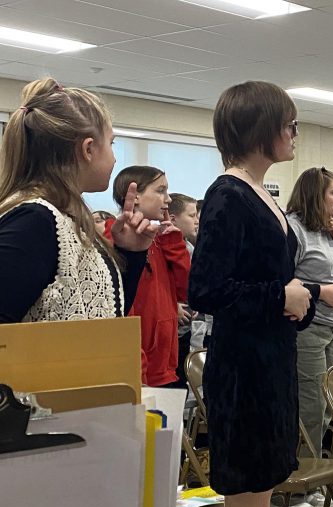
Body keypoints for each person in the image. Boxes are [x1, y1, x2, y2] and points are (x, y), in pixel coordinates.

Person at [188, 81, 315, 507]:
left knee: (264, 477)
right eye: (290, 125)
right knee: (248, 481)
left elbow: (269, 278)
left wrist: (296, 298)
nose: (294, 134)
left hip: (269, 357)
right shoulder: (228, 194)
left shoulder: (258, 191)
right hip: (243, 367)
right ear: (262, 128)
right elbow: (206, 289)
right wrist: (280, 295)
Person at [0, 78, 155, 325]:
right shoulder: (35, 221)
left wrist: (130, 253)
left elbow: (102, 319)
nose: (115, 158)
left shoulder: (68, 219)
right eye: (111, 143)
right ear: (88, 149)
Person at [286, 167, 333, 462]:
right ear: (315, 194)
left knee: (325, 404)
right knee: (310, 405)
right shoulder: (293, 229)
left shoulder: (326, 231)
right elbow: (284, 282)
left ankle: (312, 466)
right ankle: (303, 478)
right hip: (307, 329)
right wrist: (320, 291)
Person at [112, 166, 189, 388]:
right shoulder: (115, 237)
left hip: (165, 365)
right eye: (160, 190)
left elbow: (186, 291)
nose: (168, 198)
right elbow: (124, 311)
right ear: (134, 196)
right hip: (139, 369)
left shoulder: (161, 239)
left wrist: (175, 244)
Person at [169, 192, 199, 385]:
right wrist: (173, 306)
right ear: (173, 220)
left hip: (186, 327)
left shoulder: (190, 247)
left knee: (181, 381)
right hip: (172, 328)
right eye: (191, 216)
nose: (197, 221)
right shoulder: (165, 247)